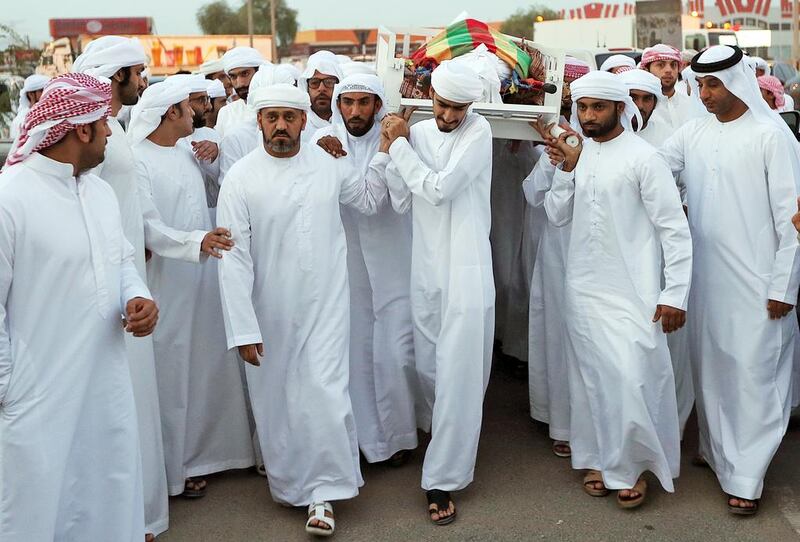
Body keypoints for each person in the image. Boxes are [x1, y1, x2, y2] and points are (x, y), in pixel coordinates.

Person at [217, 83, 388, 536]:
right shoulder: (240, 177)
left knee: (326, 392)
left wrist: (381, 150)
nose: (280, 126)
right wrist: (242, 326)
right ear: (258, 121)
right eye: (271, 117)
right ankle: (291, 483)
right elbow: (232, 257)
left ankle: (324, 494)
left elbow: (369, 201)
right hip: (268, 309)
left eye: (289, 118)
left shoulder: (328, 162)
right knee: (278, 401)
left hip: (328, 303)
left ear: (302, 120)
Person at [0, 72, 159, 542]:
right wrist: (10, 387)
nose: (112, 131)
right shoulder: (11, 197)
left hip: (105, 385)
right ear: (81, 129)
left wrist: (138, 297)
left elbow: (122, 261)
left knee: (107, 492)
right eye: (105, 123)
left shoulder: (99, 191)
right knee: (36, 507)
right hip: (37, 394)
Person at [659, 45, 800, 516]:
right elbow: (654, 171)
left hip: (759, 283)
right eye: (699, 84)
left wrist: (784, 285)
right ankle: (721, 456)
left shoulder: (771, 135)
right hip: (706, 282)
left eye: (713, 84)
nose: (704, 94)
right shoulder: (692, 132)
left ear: (736, 82)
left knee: (753, 376)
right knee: (713, 371)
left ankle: (747, 476)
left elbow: (793, 220)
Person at [545, 70, 692, 510]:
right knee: (591, 379)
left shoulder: (644, 158)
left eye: (598, 108)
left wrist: (674, 293)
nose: (588, 117)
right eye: (583, 108)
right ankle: (598, 458)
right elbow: (555, 215)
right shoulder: (580, 155)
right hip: (584, 287)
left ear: (620, 110)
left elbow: (675, 231)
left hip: (636, 291)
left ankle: (633, 467)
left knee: (633, 377)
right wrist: (567, 171)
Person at [129, 77, 255, 500]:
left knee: (206, 364)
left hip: (203, 272)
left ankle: (207, 456)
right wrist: (193, 242)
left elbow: (211, 194)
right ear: (171, 113)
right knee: (172, 370)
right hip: (167, 281)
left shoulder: (185, 149)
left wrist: (211, 227)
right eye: (189, 106)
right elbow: (147, 226)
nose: (196, 111)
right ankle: (175, 467)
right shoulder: (137, 160)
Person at [380, 61, 494, 525]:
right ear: (430, 97)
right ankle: (441, 439)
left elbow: (442, 190)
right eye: (442, 106)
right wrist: (391, 150)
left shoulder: (479, 131)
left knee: (460, 373)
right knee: (429, 367)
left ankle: (442, 477)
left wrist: (400, 147)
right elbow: (403, 199)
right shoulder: (420, 132)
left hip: (467, 268)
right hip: (425, 267)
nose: (448, 116)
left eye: (457, 108)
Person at [72, 35, 169, 540]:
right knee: (110, 407)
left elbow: (136, 213)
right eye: (139, 73)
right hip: (100, 293)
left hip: (130, 284)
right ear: (117, 77)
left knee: (133, 404)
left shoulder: (113, 128)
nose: (144, 81)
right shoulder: (85, 133)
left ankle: (137, 516)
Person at [313, 74, 419, 467]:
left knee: (397, 351)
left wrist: (392, 150)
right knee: (354, 350)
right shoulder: (320, 143)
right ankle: (365, 439)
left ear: (377, 105)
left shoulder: (399, 139)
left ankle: (401, 434)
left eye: (363, 102)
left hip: (395, 259)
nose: (354, 111)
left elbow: (400, 199)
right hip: (347, 265)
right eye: (348, 102)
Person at [617, 67, 695, 438]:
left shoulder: (671, 138)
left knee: (670, 352)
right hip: (617, 267)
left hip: (664, 261)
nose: (640, 106)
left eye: (648, 98)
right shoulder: (598, 141)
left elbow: (688, 189)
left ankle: (671, 431)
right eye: (633, 97)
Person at [526, 56, 589, 460]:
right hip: (557, 251)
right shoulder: (550, 145)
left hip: (600, 254)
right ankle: (561, 421)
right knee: (556, 331)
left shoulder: (618, 143)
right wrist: (556, 165)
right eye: (571, 97)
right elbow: (533, 196)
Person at [219, 64, 297, 180]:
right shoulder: (234, 139)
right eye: (271, 115)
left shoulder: (309, 134)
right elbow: (231, 189)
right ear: (259, 117)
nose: (280, 126)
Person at [642, 44, 700, 130]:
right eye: (661, 65)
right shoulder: (643, 109)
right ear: (646, 70)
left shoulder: (691, 104)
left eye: (673, 65)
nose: (668, 70)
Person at [216, 47, 269, 137]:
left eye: (245, 74)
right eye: (233, 76)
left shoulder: (276, 107)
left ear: (258, 72)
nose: (240, 83)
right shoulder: (226, 113)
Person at [299, 50, 343, 142]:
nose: (321, 88)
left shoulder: (351, 125)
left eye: (329, 82)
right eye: (314, 83)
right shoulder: (298, 127)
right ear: (306, 88)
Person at [9, 74, 49, 140]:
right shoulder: (20, 121)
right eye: (41, 91)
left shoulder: (49, 114)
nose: (46, 93)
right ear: (31, 94)